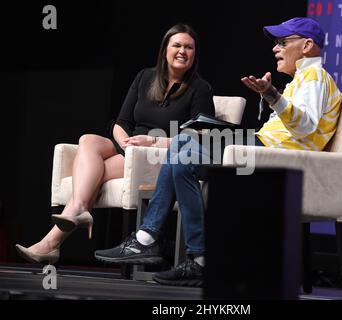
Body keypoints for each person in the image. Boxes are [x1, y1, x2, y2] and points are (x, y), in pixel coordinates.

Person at [94, 17, 342, 287]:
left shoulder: (315, 77)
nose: (275, 49)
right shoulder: (303, 79)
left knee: (183, 149)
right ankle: (178, 251)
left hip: (272, 155)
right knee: (182, 148)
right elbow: (292, 123)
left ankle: (157, 242)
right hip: (263, 146)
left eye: (283, 42)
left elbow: (305, 128)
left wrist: (273, 95)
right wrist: (269, 97)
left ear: (306, 46)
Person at [15, 23, 215, 265]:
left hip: (159, 154)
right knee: (87, 140)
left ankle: (53, 241)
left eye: (189, 47)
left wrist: (150, 142)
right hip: (130, 145)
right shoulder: (145, 77)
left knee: (91, 175)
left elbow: (196, 139)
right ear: (165, 50)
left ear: (195, 53)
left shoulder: (200, 89)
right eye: (177, 45)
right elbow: (121, 121)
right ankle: (77, 209)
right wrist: (124, 142)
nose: (183, 51)